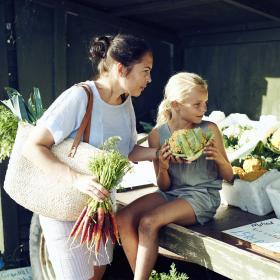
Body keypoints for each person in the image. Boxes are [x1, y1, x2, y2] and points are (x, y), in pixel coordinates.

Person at [23, 34, 157, 280]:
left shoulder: (125, 102)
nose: (149, 79)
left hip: (99, 210)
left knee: (96, 275)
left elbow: (126, 152)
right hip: (64, 206)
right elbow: (34, 146)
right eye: (145, 71)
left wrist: (161, 153)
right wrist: (76, 179)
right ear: (120, 68)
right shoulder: (80, 97)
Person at [117, 72, 234, 280]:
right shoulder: (157, 135)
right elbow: (164, 186)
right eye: (197, 104)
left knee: (148, 222)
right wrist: (162, 167)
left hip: (202, 196)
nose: (204, 109)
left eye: (205, 103)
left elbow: (229, 176)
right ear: (176, 105)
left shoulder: (209, 129)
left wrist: (219, 159)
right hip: (172, 193)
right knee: (123, 218)